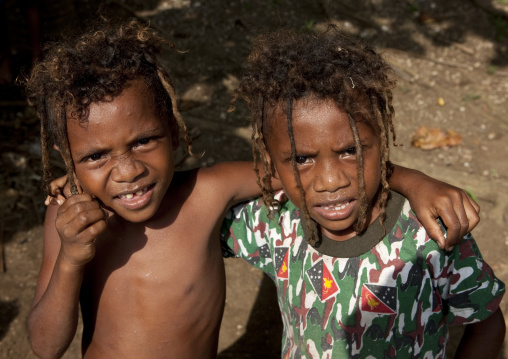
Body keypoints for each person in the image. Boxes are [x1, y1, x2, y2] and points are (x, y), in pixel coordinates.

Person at [27, 21, 482, 358]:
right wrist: (70, 259)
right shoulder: (70, 221)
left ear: (172, 126)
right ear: (68, 159)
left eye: (143, 141)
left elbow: (307, 170)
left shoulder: (209, 193)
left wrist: (413, 181)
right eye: (95, 157)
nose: (127, 171)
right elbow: (45, 345)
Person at [222, 26, 505, 358]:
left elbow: (487, 323)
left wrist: (412, 181)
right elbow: (193, 219)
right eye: (301, 159)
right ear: (272, 165)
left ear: (381, 143)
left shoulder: (429, 234)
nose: (330, 181)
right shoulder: (273, 225)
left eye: (349, 151)